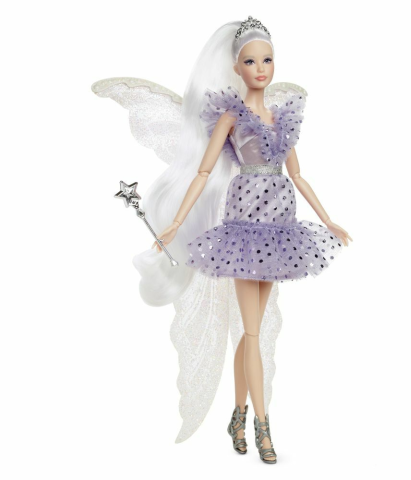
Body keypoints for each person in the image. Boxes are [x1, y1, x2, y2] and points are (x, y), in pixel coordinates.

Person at [92, 16, 352, 464]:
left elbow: (298, 175)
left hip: (280, 228)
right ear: (236, 67)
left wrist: (328, 219)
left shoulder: (282, 116)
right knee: (252, 331)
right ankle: (263, 428)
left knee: (252, 332)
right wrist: (176, 222)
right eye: (251, 61)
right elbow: (203, 171)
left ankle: (237, 415)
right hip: (244, 227)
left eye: (267, 60)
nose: (261, 69)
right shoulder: (230, 116)